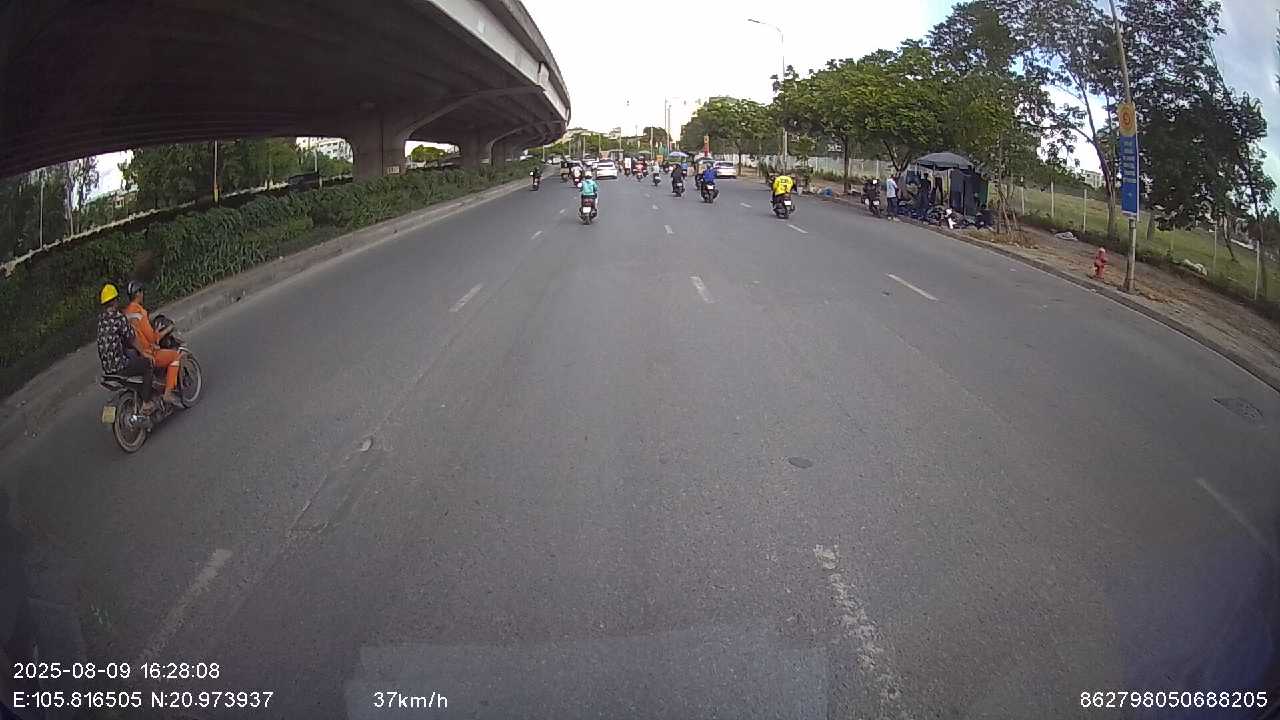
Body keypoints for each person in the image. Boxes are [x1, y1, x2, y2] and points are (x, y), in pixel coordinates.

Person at [96, 283, 156, 411]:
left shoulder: (101, 320)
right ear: (115, 301)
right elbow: (132, 338)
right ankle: (146, 402)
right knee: (147, 364)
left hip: (107, 369)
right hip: (120, 366)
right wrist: (144, 353)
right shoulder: (118, 317)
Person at [123, 281, 181, 408]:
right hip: (147, 352)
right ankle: (168, 394)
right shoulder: (139, 312)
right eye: (141, 292)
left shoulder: (126, 313)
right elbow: (152, 338)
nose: (143, 294)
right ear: (138, 294)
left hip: (133, 356)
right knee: (175, 356)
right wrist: (166, 330)